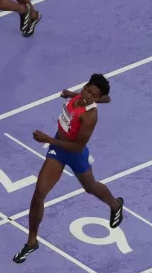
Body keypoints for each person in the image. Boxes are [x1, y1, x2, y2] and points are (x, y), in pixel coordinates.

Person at [13, 74, 124, 263]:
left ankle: (115, 205)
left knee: (90, 187)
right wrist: (72, 94)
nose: (87, 95)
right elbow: (107, 98)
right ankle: (32, 241)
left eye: (93, 95)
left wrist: (48, 139)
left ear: (96, 99)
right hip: (58, 149)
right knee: (39, 193)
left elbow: (77, 147)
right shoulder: (79, 96)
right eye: (87, 89)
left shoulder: (90, 116)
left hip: (74, 153)